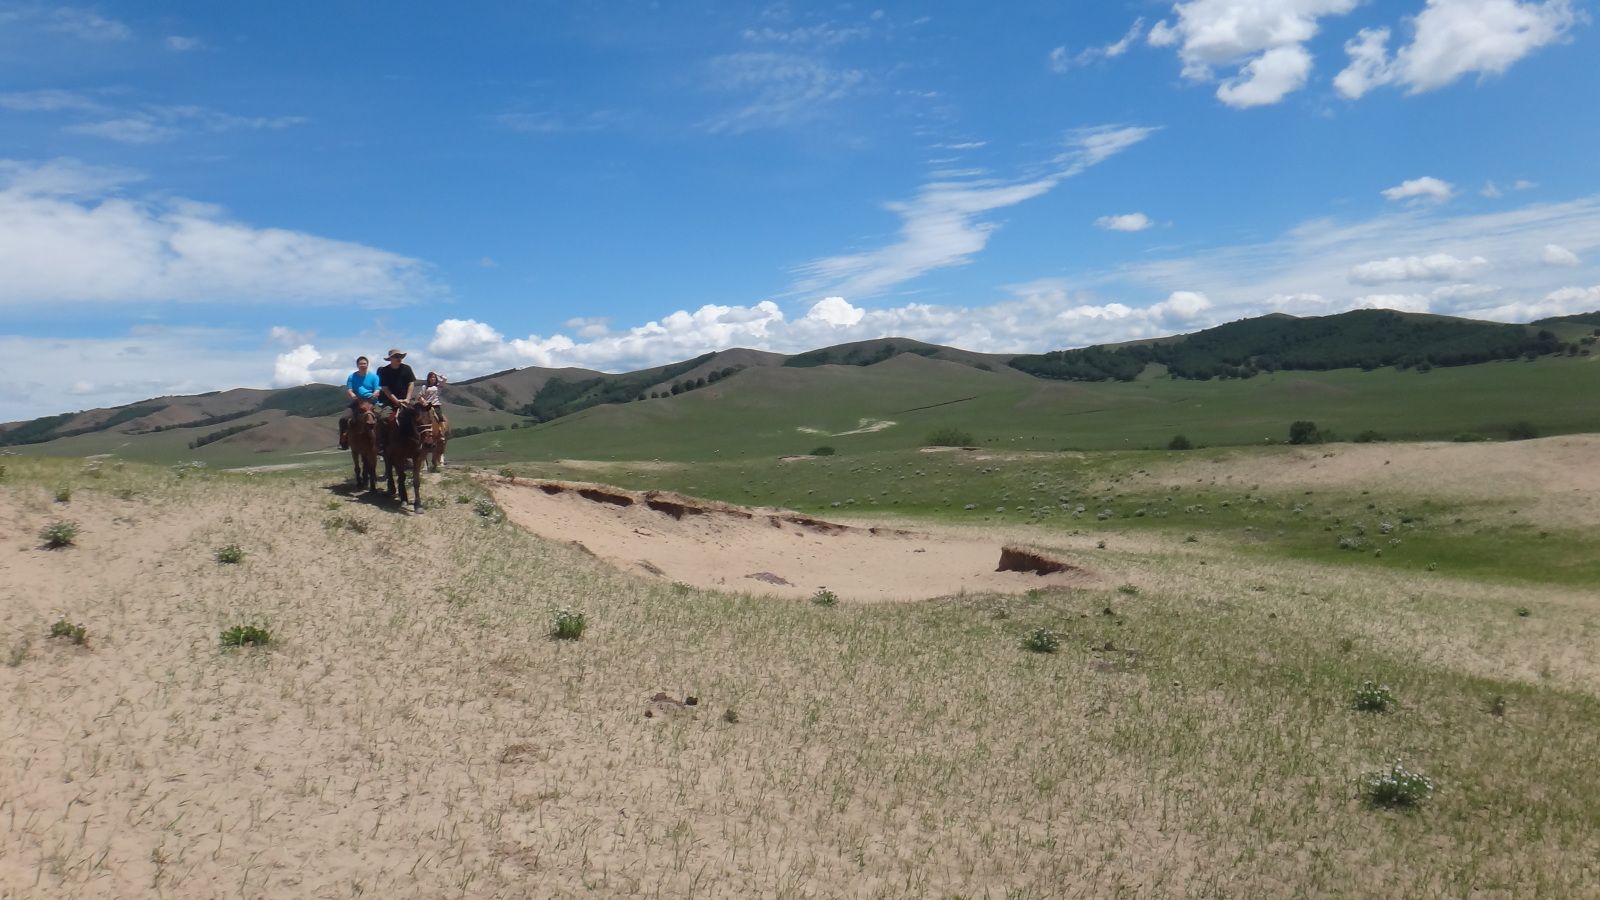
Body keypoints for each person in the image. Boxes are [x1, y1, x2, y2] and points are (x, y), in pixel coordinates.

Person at [339, 356, 379, 450]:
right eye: (361, 364)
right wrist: (352, 395)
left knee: (383, 418)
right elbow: (349, 390)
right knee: (343, 419)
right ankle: (343, 441)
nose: (363, 365)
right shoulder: (352, 377)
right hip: (357, 401)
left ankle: (382, 442)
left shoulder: (374, 377)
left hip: (371, 401)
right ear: (357, 365)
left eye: (364, 363)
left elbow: (377, 389)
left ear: (367, 365)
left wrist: (374, 394)